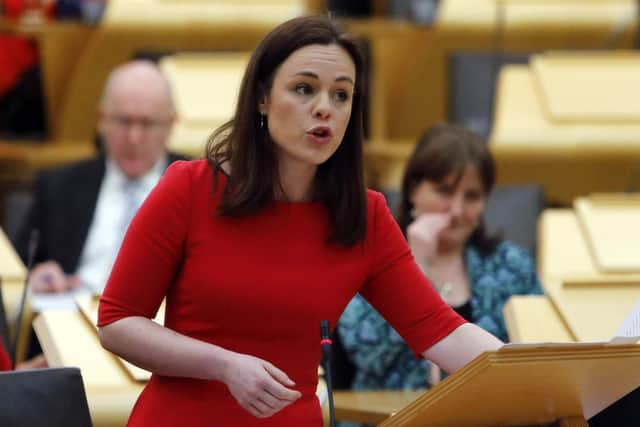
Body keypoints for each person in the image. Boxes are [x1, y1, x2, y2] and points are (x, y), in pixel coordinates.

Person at [97, 17, 503, 427]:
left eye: (341, 94)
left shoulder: (366, 215)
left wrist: (548, 373)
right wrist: (223, 365)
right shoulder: (190, 187)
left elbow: (441, 331)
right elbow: (118, 322)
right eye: (304, 89)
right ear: (262, 98)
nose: (325, 107)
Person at [338, 123, 542, 392]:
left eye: (472, 196)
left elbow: (541, 355)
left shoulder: (512, 265)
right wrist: (417, 265)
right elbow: (367, 354)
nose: (457, 210)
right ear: (413, 191)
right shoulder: (371, 254)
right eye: (444, 191)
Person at [16, 60, 185, 297]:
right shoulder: (59, 186)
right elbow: (19, 269)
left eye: (147, 124)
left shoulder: (201, 186)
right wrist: (37, 277)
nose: (134, 137)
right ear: (101, 119)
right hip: (69, 317)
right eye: (123, 121)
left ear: (170, 124)